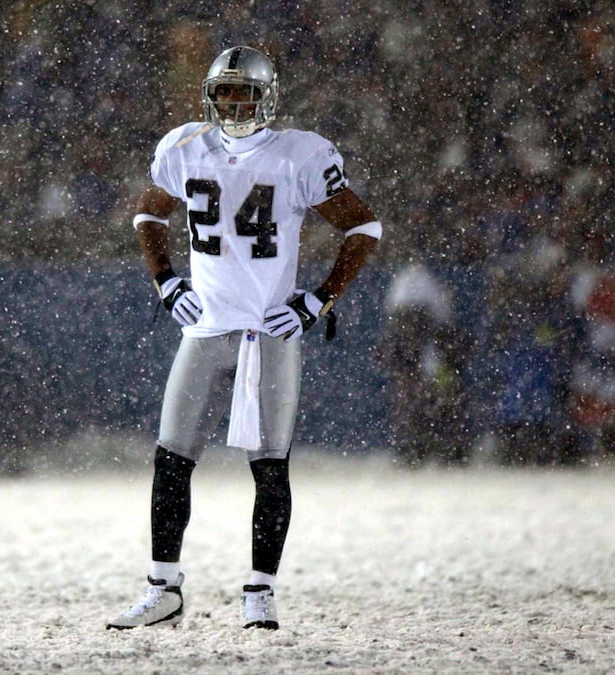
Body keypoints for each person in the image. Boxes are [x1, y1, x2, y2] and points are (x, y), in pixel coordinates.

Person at [107, 46, 381, 631]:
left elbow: (363, 226)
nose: (234, 102)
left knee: (271, 467)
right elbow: (148, 216)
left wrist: (318, 298)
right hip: (205, 328)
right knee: (171, 459)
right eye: (225, 91)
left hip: (269, 331)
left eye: (245, 92)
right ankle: (164, 588)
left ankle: (260, 591)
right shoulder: (183, 146)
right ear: (210, 96)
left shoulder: (298, 155)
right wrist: (164, 282)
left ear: (267, 96)